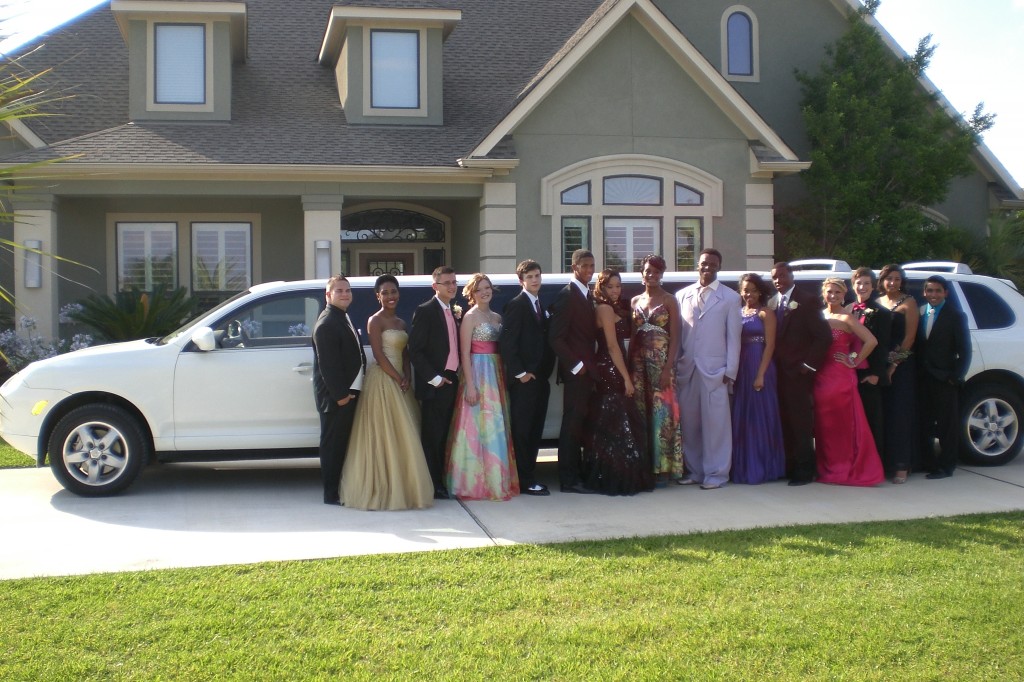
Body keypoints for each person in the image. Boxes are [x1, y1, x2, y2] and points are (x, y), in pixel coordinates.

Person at [340, 275, 434, 510]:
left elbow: (405, 353)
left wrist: (408, 376)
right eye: (386, 293)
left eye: (394, 291)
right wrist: (398, 377)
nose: (391, 296)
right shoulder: (375, 321)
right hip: (382, 380)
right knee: (384, 435)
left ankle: (405, 485)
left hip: (401, 380)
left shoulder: (402, 323)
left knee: (405, 435)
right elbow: (379, 356)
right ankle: (383, 486)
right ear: (378, 296)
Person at [581, 269, 654, 495]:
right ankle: (612, 475)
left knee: (616, 422)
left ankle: (615, 472)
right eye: (610, 286)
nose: (615, 290)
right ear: (601, 288)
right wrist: (626, 378)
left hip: (614, 365)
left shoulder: (615, 308)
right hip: (610, 367)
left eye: (618, 286)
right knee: (615, 421)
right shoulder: (603, 309)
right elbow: (613, 347)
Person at [446, 274, 519, 500]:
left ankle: (496, 478)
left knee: (495, 424)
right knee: (475, 427)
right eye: (480, 289)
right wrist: (470, 385)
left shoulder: (497, 317)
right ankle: (471, 482)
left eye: (488, 288)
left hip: (496, 373)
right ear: (472, 294)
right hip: (477, 372)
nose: (485, 292)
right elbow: (464, 353)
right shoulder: (469, 317)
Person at [675, 248, 741, 490]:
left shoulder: (731, 298)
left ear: (718, 267)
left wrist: (730, 371)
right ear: (697, 265)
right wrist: (676, 365)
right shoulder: (682, 295)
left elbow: (734, 338)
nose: (707, 267)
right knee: (690, 425)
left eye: (713, 264)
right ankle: (694, 470)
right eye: (704, 263)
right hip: (688, 369)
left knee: (716, 426)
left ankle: (717, 474)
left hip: (716, 372)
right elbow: (678, 335)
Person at [814, 278, 885, 486]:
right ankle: (827, 467)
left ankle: (845, 467)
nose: (833, 296)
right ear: (823, 293)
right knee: (823, 425)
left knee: (842, 424)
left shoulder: (847, 318)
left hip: (839, 376)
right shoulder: (820, 315)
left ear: (844, 295)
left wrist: (853, 360)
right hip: (820, 375)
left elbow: (871, 341)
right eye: (829, 292)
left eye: (837, 292)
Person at [770, 261, 833, 485]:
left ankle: (805, 471)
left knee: (801, 423)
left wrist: (808, 366)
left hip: (798, 374)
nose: (778, 280)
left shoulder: (807, 300)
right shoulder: (772, 302)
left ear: (791, 276)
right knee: (784, 422)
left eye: (782, 276)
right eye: (774, 277)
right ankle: (789, 466)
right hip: (777, 374)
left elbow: (824, 337)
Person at [499, 259, 556, 497]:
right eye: (530, 276)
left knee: (535, 430)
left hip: (541, 380)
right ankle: (524, 479)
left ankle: (529, 475)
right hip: (525, 382)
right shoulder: (517, 304)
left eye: (537, 275)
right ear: (521, 280)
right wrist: (520, 374)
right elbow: (507, 343)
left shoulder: (539, 303)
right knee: (522, 431)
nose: (535, 280)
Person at [312, 275, 366, 505]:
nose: (345, 294)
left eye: (348, 290)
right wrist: (342, 397)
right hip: (337, 398)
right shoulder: (327, 323)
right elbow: (328, 366)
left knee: (342, 443)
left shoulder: (341, 317)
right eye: (339, 291)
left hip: (348, 393)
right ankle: (331, 493)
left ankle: (338, 489)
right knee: (333, 445)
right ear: (328, 295)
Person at [630, 254, 683, 485]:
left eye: (656, 271)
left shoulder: (670, 300)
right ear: (642, 273)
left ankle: (664, 469)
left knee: (662, 415)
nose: (651, 275)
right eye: (648, 271)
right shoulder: (634, 301)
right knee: (641, 413)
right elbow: (633, 336)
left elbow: (676, 337)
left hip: (662, 364)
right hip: (638, 365)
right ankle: (645, 466)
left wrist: (667, 368)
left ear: (662, 274)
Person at [409, 266, 461, 500]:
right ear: (435, 286)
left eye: (454, 282)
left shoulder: (455, 310)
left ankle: (443, 479)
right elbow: (415, 350)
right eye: (446, 283)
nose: (451, 286)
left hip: (452, 381)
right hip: (436, 385)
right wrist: (435, 379)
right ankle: (433, 484)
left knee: (447, 435)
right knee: (433, 437)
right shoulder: (425, 311)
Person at [549, 248, 598, 494]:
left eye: (592, 266)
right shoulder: (567, 295)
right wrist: (576, 366)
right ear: (574, 267)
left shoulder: (588, 294)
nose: (589, 270)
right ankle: (568, 479)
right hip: (577, 371)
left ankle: (578, 473)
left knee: (581, 423)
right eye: (585, 266)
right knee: (571, 423)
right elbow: (556, 338)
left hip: (589, 370)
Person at [731, 272, 785, 485]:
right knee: (742, 415)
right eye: (745, 290)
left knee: (759, 416)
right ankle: (742, 466)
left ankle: (763, 466)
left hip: (759, 364)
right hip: (741, 365)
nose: (748, 294)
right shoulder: (737, 312)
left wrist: (761, 374)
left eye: (753, 290)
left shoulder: (766, 313)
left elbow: (770, 345)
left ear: (760, 291)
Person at [917, 275, 971, 480]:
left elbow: (964, 350)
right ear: (924, 292)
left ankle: (947, 466)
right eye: (929, 290)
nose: (933, 294)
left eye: (938, 291)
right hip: (923, 378)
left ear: (945, 293)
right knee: (925, 423)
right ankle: (928, 462)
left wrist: (955, 377)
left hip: (944, 378)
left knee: (947, 425)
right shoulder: (921, 311)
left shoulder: (956, 315)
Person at [846, 266, 892, 480]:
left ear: (873, 287)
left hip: (868, 376)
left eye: (866, 283)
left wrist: (876, 374)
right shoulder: (847, 310)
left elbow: (883, 346)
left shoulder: (881, 313)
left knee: (872, 424)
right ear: (852, 285)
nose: (862, 287)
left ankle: (875, 468)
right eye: (858, 283)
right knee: (852, 425)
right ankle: (854, 464)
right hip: (848, 376)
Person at [878, 263, 920, 483]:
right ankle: (884, 463)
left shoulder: (909, 303)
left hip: (901, 367)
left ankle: (902, 466)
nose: (892, 282)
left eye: (896, 279)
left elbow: (909, 339)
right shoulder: (877, 302)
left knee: (899, 416)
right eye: (888, 278)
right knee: (882, 415)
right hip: (878, 364)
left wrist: (893, 366)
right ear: (882, 280)